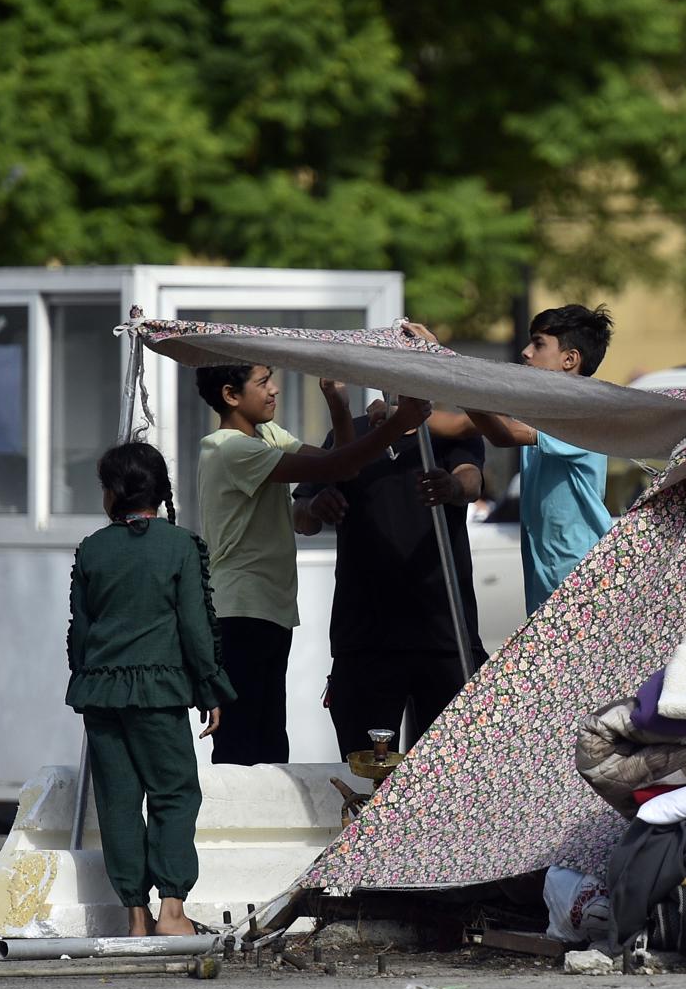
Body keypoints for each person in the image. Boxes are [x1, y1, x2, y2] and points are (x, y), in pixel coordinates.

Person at [194, 363, 429, 765]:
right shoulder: (230, 448)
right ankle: (230, 828)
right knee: (241, 744)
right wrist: (398, 424)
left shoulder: (267, 436)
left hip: (266, 611)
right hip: (238, 612)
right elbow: (336, 467)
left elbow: (346, 464)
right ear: (231, 395)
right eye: (263, 383)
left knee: (268, 745)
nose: (275, 390)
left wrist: (338, 404)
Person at [65, 442, 234, 937]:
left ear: (115, 493)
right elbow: (196, 628)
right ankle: (173, 914)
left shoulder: (92, 548)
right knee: (174, 794)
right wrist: (210, 688)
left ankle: (135, 917)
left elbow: (81, 632)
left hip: (100, 693)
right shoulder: (179, 545)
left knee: (118, 800)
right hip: (159, 692)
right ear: (159, 492)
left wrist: (90, 677)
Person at [293, 395, 488, 756]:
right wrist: (315, 506)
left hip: (443, 636)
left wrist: (452, 487)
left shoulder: (449, 432)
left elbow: (471, 480)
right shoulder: (351, 433)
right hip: (366, 639)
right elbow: (301, 516)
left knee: (447, 772)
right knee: (367, 776)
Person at [460, 305, 616, 612]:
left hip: (581, 580)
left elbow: (502, 434)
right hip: (547, 577)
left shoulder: (584, 411)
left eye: (539, 343)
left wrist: (453, 375)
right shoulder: (543, 411)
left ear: (570, 359)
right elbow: (466, 426)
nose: (526, 352)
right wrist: (399, 415)